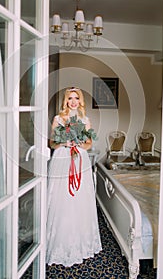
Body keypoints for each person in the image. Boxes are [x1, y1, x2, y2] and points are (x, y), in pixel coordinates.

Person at [46, 87, 102, 267]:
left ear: (80, 101)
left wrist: (78, 144)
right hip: (62, 158)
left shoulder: (85, 120)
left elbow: (89, 143)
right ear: (66, 101)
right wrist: (65, 142)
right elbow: (52, 143)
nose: (73, 101)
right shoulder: (58, 119)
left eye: (76, 98)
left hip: (80, 160)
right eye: (70, 98)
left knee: (79, 199)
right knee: (61, 199)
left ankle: (81, 243)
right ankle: (58, 241)